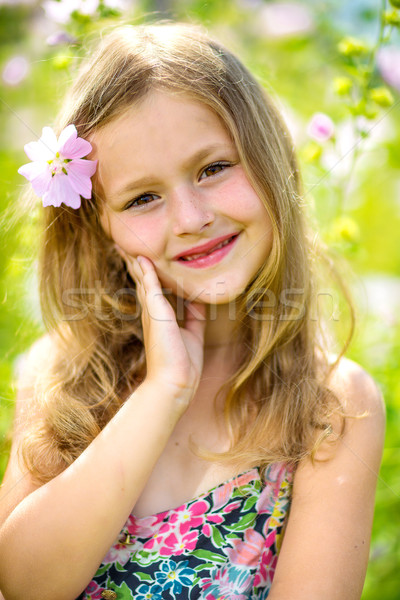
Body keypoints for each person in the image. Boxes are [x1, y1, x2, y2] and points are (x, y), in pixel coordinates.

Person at [0, 22, 385, 600]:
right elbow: (23, 584)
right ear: (100, 228)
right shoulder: (62, 376)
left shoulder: (330, 407)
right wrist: (163, 390)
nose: (189, 217)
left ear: (271, 162)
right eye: (143, 198)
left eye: (213, 168)